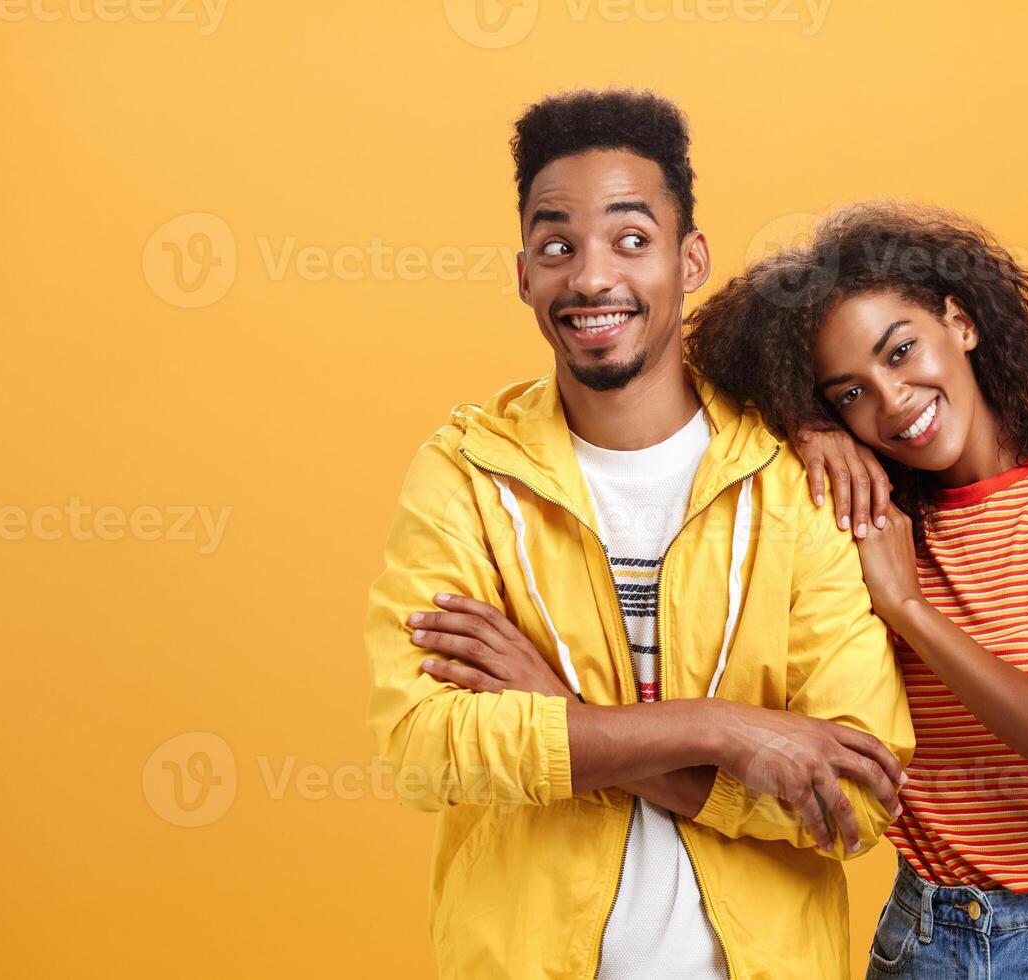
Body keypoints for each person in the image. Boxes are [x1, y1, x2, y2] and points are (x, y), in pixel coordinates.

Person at [363, 90, 913, 979]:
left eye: (630, 239)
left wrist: (563, 719)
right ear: (523, 275)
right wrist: (727, 730)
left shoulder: (793, 478)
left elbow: (853, 796)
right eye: (556, 246)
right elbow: (426, 747)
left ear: (689, 259)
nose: (590, 278)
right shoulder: (464, 473)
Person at [688, 202, 1028, 977]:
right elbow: (683, 387)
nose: (892, 400)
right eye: (851, 393)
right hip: (923, 937)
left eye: (900, 352)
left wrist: (907, 608)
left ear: (960, 322)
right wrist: (806, 425)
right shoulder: (868, 522)